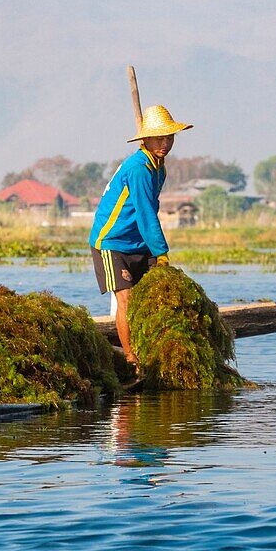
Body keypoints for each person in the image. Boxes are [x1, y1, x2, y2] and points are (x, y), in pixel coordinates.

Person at [89, 104, 192, 372]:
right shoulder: (138, 168)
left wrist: (153, 250)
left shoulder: (159, 168)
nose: (165, 143)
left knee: (155, 296)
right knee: (127, 299)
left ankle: (151, 350)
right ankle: (130, 360)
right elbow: (147, 213)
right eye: (159, 138)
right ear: (144, 139)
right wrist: (161, 252)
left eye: (169, 137)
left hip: (138, 242)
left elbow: (148, 211)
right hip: (112, 242)